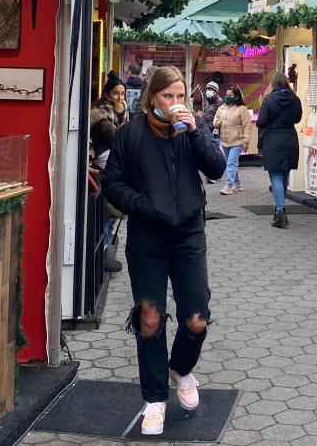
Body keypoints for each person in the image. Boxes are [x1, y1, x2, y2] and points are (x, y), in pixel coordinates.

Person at [102, 66, 226, 436]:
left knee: (196, 317)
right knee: (150, 317)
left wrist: (196, 134)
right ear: (152, 97)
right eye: (168, 96)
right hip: (148, 237)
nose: (175, 103)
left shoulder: (194, 128)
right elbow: (113, 183)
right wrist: (143, 206)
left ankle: (181, 369)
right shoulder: (130, 133)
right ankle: (154, 398)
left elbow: (217, 168)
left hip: (189, 234)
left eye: (180, 96)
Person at [90, 74, 129, 273]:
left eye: (122, 94)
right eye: (116, 93)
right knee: (107, 213)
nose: (120, 98)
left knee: (111, 214)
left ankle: (104, 250)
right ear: (107, 93)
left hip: (112, 168)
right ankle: (102, 253)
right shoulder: (101, 116)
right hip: (102, 170)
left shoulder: (121, 114)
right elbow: (117, 139)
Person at [257, 72, 303, 229]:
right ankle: (281, 208)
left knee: (275, 175)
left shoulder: (268, 99)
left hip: (274, 140)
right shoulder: (295, 99)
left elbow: (261, 122)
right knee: (284, 175)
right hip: (290, 138)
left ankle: (279, 211)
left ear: (274, 83)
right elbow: (297, 119)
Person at [213, 86, 252, 195]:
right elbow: (215, 119)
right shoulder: (222, 108)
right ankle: (238, 184)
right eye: (226, 94)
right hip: (225, 141)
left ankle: (228, 186)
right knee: (231, 163)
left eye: (230, 95)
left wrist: (246, 142)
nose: (227, 97)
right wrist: (217, 123)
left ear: (236, 97)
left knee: (231, 163)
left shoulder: (242, 109)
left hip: (237, 141)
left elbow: (247, 126)